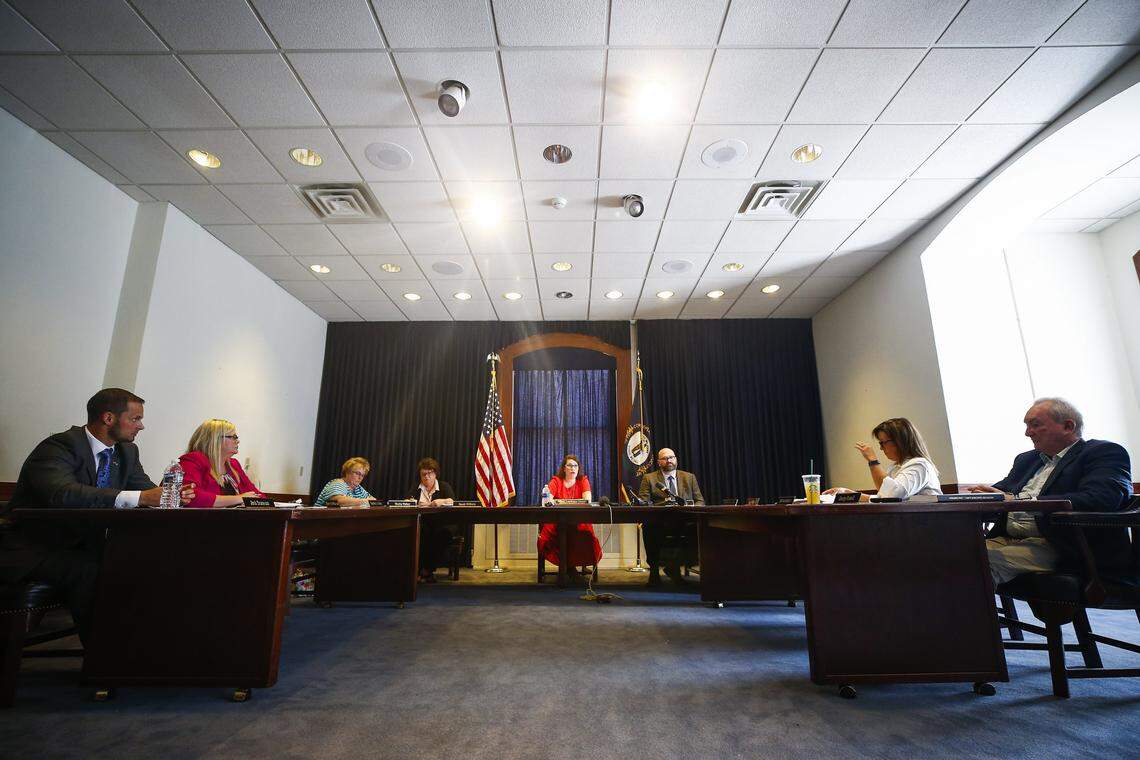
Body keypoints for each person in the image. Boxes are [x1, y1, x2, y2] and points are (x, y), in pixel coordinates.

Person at [0, 388, 194, 642]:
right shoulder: (59, 446)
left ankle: (153, 645)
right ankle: (105, 659)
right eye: (135, 419)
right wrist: (143, 498)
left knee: (150, 560)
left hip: (85, 545)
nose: (142, 426)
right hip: (35, 548)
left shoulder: (126, 452)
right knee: (95, 569)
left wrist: (171, 496)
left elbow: (146, 491)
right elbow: (63, 494)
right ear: (108, 418)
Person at [969, 398, 1133, 585]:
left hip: (1062, 544)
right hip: (1009, 539)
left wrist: (1020, 501)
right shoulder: (1027, 460)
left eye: (1035, 425)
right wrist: (983, 495)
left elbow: (1102, 498)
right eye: (1026, 426)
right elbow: (1003, 491)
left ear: (1068, 426)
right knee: (943, 553)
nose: (1027, 433)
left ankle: (967, 615)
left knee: (973, 562)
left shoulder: (1104, 452)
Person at [823, 418, 942, 501]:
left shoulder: (919, 465)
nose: (881, 448)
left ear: (900, 441)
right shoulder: (895, 467)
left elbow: (893, 495)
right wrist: (846, 493)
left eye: (883, 443)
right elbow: (881, 499)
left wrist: (873, 461)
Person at [638, 448, 704, 585]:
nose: (669, 461)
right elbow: (644, 503)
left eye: (671, 457)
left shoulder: (689, 477)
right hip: (659, 522)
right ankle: (655, 571)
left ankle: (674, 566)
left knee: (696, 530)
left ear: (676, 459)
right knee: (649, 527)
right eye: (665, 458)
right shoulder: (649, 478)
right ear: (658, 462)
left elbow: (700, 501)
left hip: (684, 521)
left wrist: (691, 508)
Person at [537, 454, 603, 573]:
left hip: (579, 519)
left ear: (578, 468)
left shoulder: (583, 480)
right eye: (569, 465)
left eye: (575, 466)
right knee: (563, 532)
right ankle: (568, 566)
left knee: (581, 533)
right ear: (564, 468)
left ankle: (572, 565)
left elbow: (587, 500)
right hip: (558, 521)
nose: (573, 468)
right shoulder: (556, 481)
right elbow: (548, 501)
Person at [179, 419, 264, 508]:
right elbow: (190, 497)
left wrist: (246, 499)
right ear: (214, 439)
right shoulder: (193, 460)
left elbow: (259, 496)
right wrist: (240, 498)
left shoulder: (233, 464)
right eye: (233, 437)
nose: (237, 441)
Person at [408, 457, 457, 582]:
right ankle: (418, 570)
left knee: (441, 535)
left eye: (430, 473)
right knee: (420, 533)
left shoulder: (444, 486)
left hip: (443, 523)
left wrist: (440, 501)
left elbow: (452, 501)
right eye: (423, 474)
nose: (426, 477)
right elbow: (408, 502)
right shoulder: (416, 488)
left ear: (435, 474)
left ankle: (428, 570)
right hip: (423, 522)